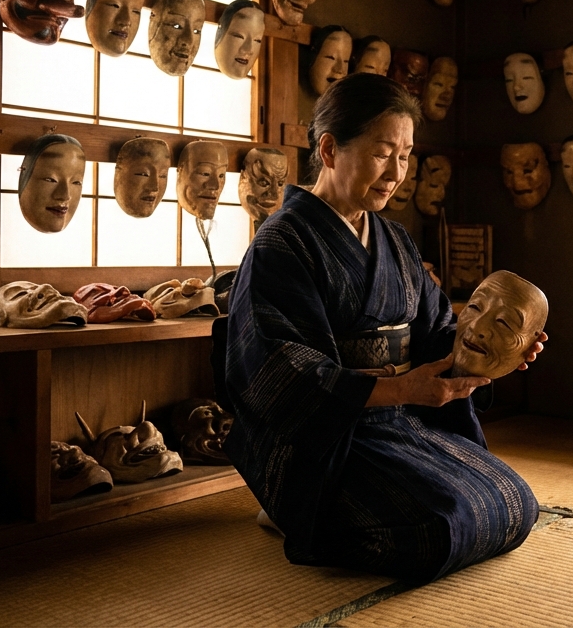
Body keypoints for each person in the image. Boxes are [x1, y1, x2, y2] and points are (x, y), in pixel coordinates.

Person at [219, 73, 544, 582]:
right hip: (328, 439)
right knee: (436, 528)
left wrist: (491, 351)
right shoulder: (281, 244)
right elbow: (282, 371)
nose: (397, 173)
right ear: (329, 149)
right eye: (381, 153)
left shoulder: (394, 240)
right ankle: (293, 508)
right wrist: (398, 388)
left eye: (406, 155)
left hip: (402, 421)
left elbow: (438, 332)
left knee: (515, 502)